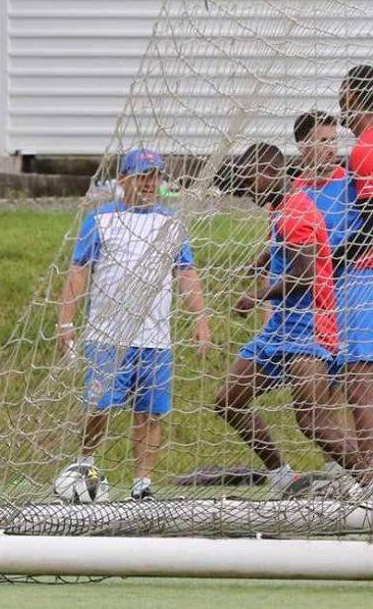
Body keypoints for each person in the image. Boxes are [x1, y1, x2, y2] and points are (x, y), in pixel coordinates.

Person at [213, 142, 367, 495]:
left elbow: (305, 274)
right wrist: (262, 261)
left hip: (309, 332)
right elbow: (289, 248)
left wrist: (257, 294)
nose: (246, 190)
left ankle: (367, 480)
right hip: (279, 330)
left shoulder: (296, 209)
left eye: (248, 181)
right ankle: (283, 476)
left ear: (267, 174)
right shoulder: (283, 208)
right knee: (228, 401)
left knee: (313, 420)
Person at [56, 149, 208, 500]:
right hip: (107, 335)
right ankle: (84, 464)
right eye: (143, 176)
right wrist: (65, 321)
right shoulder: (100, 219)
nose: (151, 183)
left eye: (156, 176)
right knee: (99, 406)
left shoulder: (170, 223)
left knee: (150, 412)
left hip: (155, 338)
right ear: (123, 179)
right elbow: (79, 271)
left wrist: (200, 317)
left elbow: (186, 272)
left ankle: (142, 484)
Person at [336, 65, 373, 464]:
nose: (339, 102)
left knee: (360, 381)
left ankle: (371, 481)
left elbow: (372, 219)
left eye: (342, 94)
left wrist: (331, 259)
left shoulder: (365, 149)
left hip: (365, 277)